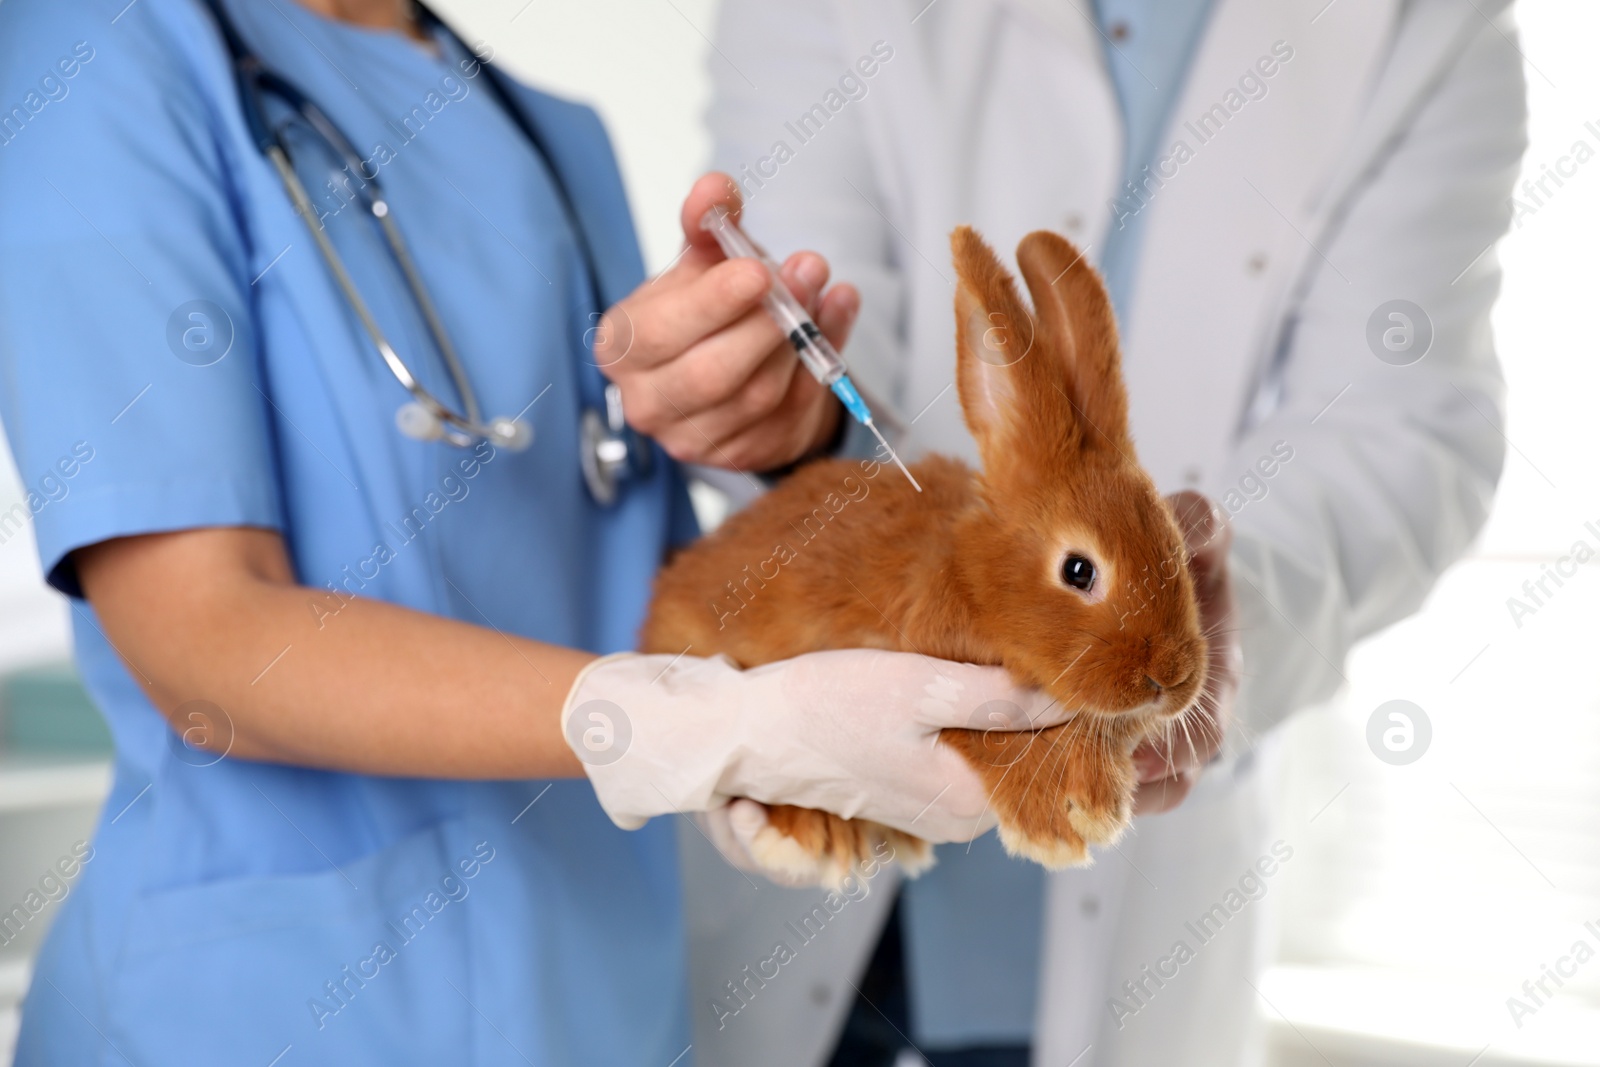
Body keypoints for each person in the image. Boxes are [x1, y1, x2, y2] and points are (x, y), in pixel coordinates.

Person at [0, 1, 1067, 1063]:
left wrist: (787, 432)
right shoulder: (91, 56)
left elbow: (637, 579)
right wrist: (694, 726)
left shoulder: (550, 137)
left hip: (603, 1002)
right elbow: (207, 642)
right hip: (271, 1014)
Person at [703, 0, 1527, 1064]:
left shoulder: (1428, 26)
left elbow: (1403, 433)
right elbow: (811, 326)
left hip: (1136, 919)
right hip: (799, 899)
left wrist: (1239, 598)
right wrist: (783, 412)